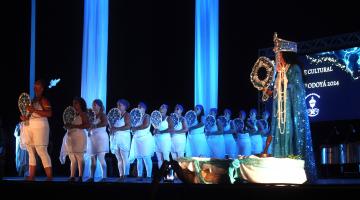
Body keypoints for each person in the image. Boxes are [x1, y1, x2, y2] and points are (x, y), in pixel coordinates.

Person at [269, 33, 317, 182]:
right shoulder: (277, 73)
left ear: (285, 54)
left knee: (290, 136)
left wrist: (284, 84)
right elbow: (277, 92)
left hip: (290, 114)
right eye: (276, 54)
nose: (277, 57)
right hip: (280, 115)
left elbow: (298, 88)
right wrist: (271, 90)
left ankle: (293, 172)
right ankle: (279, 173)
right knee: (280, 137)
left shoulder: (294, 68)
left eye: (279, 54)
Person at [20, 80, 53, 181]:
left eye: (37, 86)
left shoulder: (44, 100)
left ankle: (49, 177)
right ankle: (31, 176)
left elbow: (49, 113)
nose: (35, 88)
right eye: (34, 87)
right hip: (31, 126)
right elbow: (31, 114)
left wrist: (34, 110)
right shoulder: (33, 100)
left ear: (42, 88)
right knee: (30, 150)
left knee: (41, 150)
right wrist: (25, 118)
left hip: (40, 126)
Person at [61, 97, 90, 182]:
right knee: (72, 157)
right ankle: (72, 176)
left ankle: (80, 176)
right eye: (73, 103)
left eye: (76, 103)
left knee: (80, 156)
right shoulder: (71, 114)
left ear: (81, 104)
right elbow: (69, 123)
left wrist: (74, 126)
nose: (74, 105)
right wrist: (67, 126)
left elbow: (87, 125)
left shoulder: (83, 114)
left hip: (79, 136)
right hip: (70, 136)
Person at [129, 102, 155, 179]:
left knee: (146, 158)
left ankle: (149, 176)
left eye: (140, 107)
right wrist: (132, 130)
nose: (138, 108)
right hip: (137, 139)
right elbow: (132, 126)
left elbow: (145, 125)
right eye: (138, 106)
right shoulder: (135, 116)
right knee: (139, 158)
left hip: (145, 139)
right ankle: (139, 175)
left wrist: (135, 128)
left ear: (144, 108)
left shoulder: (147, 116)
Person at [87, 99, 109, 182]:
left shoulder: (102, 115)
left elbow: (105, 123)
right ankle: (91, 177)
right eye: (93, 105)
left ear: (100, 106)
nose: (93, 106)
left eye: (95, 105)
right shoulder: (92, 116)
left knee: (101, 158)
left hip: (101, 138)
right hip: (93, 138)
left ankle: (104, 177)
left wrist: (95, 126)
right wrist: (89, 130)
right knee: (93, 158)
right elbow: (89, 126)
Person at [109, 99, 131, 179]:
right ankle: (121, 175)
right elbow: (112, 126)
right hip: (116, 138)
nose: (118, 106)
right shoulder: (115, 115)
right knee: (118, 158)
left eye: (120, 105)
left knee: (124, 157)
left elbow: (128, 126)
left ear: (125, 107)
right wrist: (111, 129)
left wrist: (117, 129)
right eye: (117, 105)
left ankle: (126, 175)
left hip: (124, 138)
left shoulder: (127, 115)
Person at [153, 104, 171, 169]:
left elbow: (171, 128)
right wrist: (154, 131)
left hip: (165, 140)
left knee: (166, 157)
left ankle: (168, 174)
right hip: (157, 139)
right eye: (160, 107)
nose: (161, 108)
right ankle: (160, 174)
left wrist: (161, 132)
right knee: (159, 158)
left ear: (166, 109)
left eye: (163, 107)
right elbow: (155, 128)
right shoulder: (157, 118)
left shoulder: (168, 118)